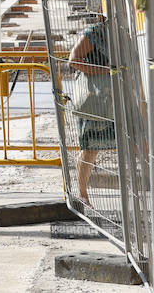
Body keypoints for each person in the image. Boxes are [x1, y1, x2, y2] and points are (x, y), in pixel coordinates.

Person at [67, 15, 115, 206]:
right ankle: (83, 194)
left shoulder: (123, 34)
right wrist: (105, 70)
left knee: (136, 141)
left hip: (115, 98)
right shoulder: (93, 33)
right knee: (90, 149)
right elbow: (73, 60)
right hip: (94, 100)